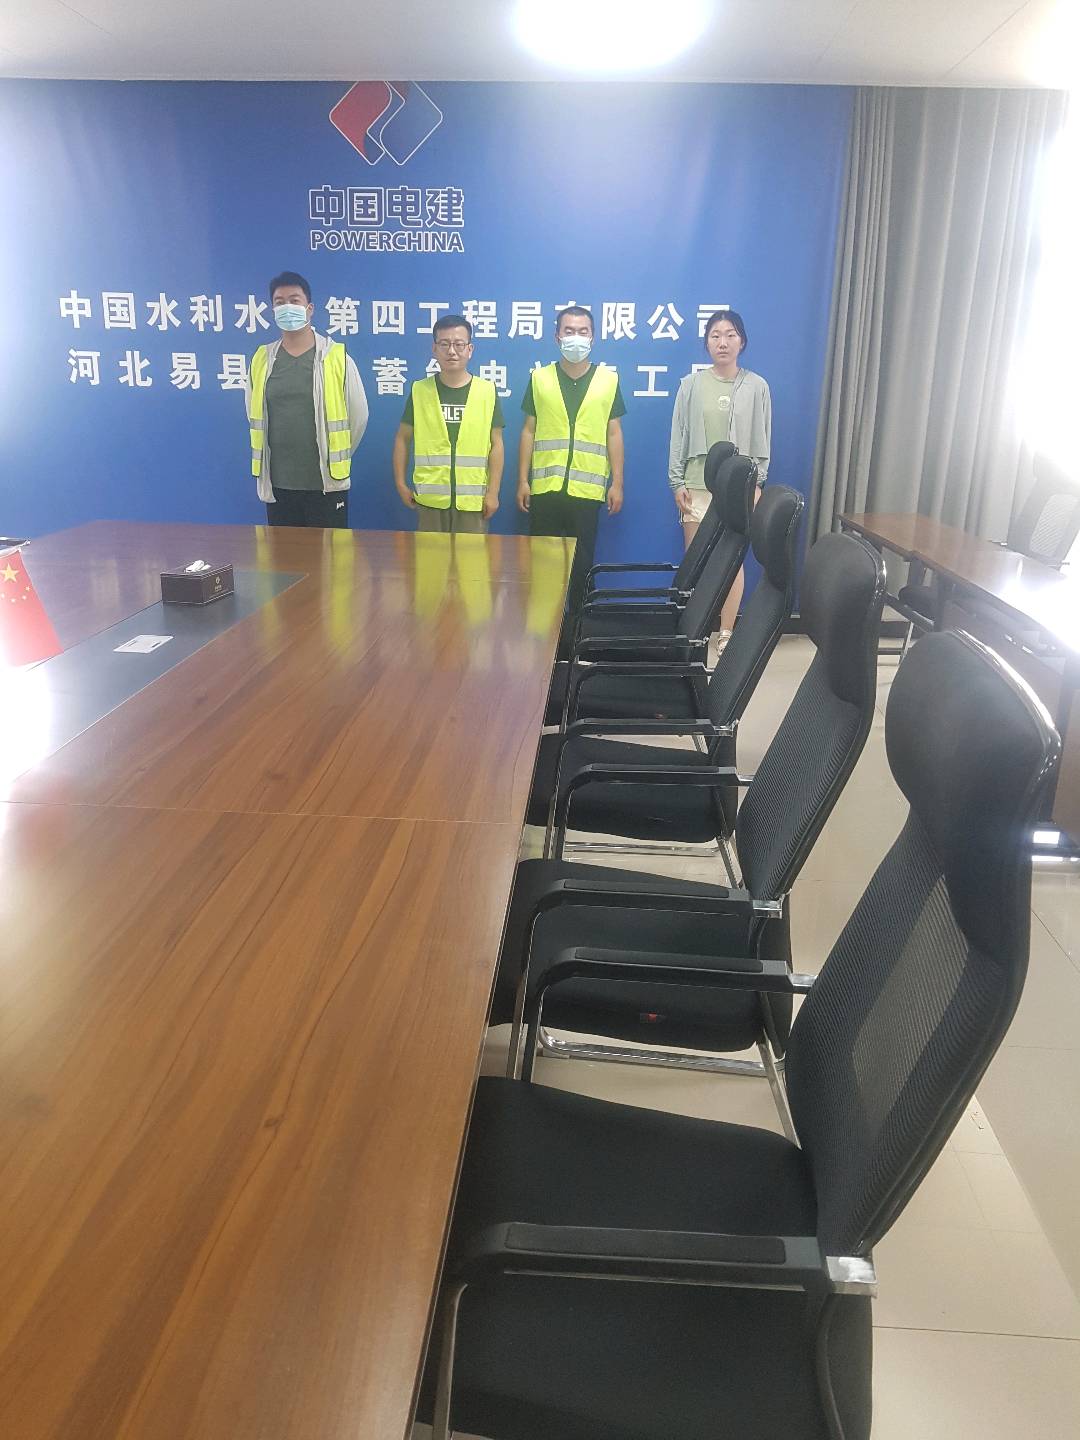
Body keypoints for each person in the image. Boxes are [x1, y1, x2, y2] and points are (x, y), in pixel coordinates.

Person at [668, 309, 771, 636]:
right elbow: (679, 435)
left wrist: (757, 482)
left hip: (738, 489)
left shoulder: (757, 386)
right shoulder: (691, 385)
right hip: (696, 485)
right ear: (707, 343)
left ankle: (726, 632)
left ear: (742, 341)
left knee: (731, 563)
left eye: (730, 335)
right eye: (715, 336)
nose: (722, 342)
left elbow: (762, 438)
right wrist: (676, 481)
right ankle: (695, 632)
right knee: (696, 562)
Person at [517, 306, 625, 613]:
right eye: (569, 331)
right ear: (557, 337)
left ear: (592, 337)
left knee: (582, 568)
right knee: (543, 567)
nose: (575, 337)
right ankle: (543, 631)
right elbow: (528, 430)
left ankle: (577, 632)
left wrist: (617, 483)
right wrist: (522, 480)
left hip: (587, 491)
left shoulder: (607, 380)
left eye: (582, 331)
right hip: (545, 489)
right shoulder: (540, 378)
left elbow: (614, 432)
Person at [246, 271, 368, 527]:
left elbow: (359, 417)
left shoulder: (336, 357)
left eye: (294, 300)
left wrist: (335, 455)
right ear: (272, 310)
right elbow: (253, 412)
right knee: (284, 553)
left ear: (309, 308)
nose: (287, 307)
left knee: (332, 553)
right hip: (277, 484)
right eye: (279, 302)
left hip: (325, 484)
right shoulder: (261, 359)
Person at [393, 313, 504, 531]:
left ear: (470, 349)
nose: (452, 351)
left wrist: (493, 492)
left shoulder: (487, 391)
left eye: (459, 344)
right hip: (429, 500)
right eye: (444, 344)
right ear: (434, 349)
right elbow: (402, 439)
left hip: (473, 502)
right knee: (430, 554)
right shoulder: (420, 390)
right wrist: (400, 483)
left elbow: (497, 445)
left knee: (472, 554)